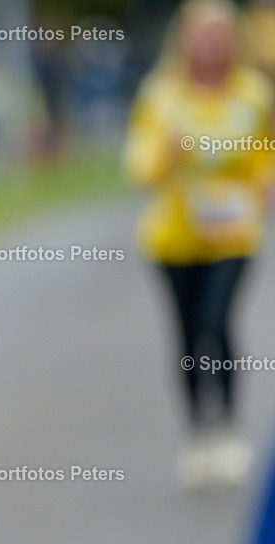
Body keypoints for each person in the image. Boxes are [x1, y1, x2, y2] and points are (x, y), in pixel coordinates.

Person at [124, 0, 273, 489]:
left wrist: (265, 180)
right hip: (174, 237)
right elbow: (139, 168)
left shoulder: (253, 94)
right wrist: (164, 156)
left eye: (220, 37)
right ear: (185, 41)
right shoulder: (162, 95)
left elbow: (265, 151)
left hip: (234, 232)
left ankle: (229, 429)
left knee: (217, 322)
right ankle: (198, 436)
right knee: (188, 336)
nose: (211, 47)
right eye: (202, 37)